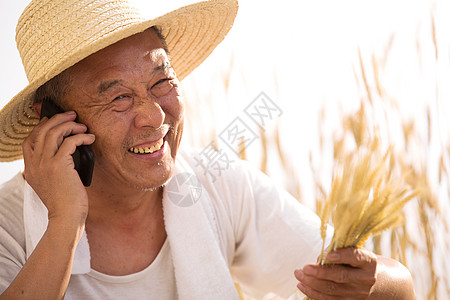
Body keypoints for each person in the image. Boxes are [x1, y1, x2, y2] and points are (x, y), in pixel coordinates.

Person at [0, 0, 416, 299]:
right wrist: (64, 221)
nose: (155, 117)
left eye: (161, 83)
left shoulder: (218, 184)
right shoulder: (9, 224)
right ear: (52, 118)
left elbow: (398, 284)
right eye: (118, 99)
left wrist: (367, 282)